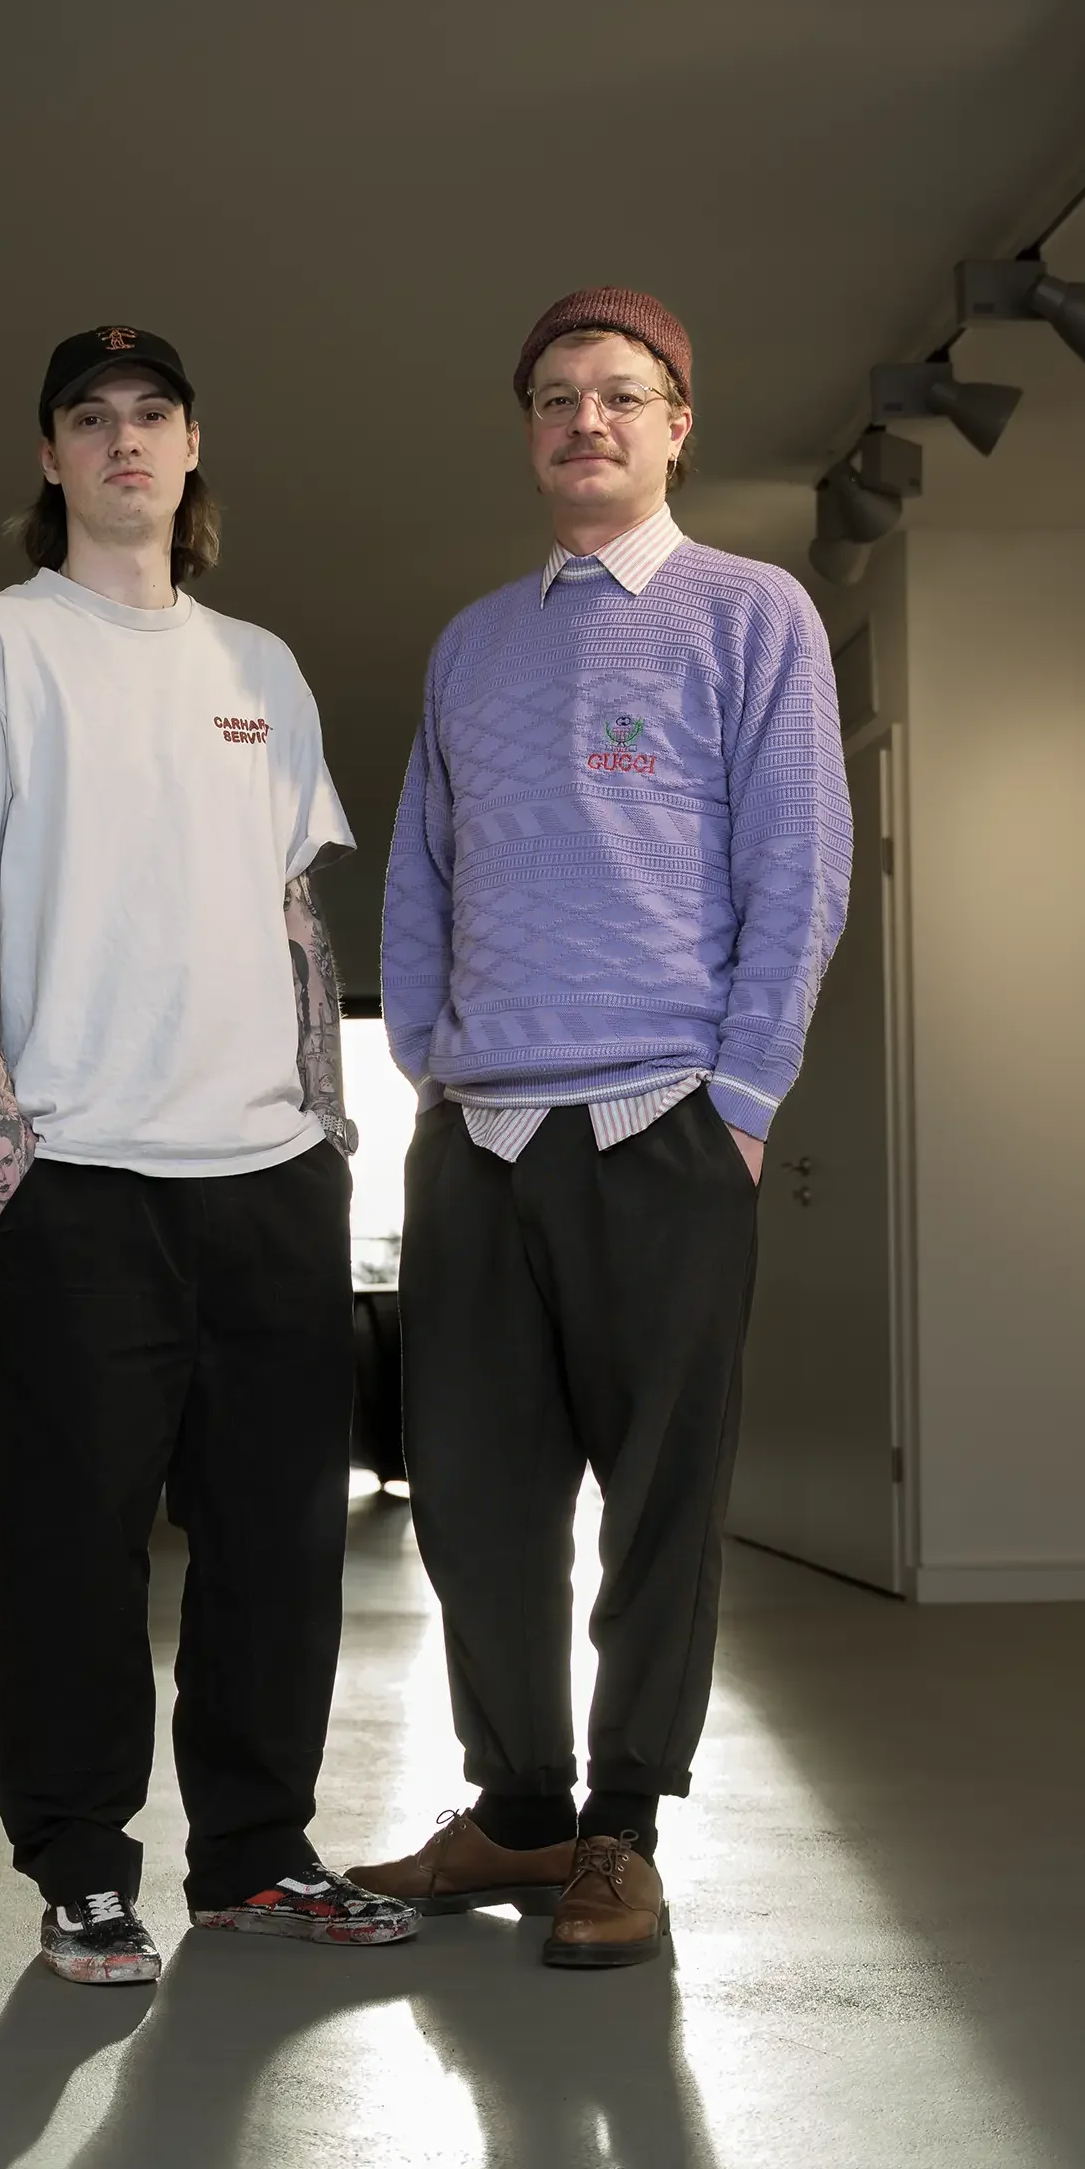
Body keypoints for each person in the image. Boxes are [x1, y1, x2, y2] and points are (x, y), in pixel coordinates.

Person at [0, 324, 419, 1984]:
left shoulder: (261, 668)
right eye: (90, 416)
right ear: (49, 458)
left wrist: (328, 1114)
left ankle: (256, 1858)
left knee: (279, 1546)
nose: (125, 439)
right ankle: (79, 1868)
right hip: (83, 1180)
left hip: (270, 1179)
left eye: (154, 415)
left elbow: (294, 907)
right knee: (74, 1548)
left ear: (193, 451)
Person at [350, 287, 852, 1969]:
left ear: (676, 426)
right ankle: (519, 1808)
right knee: (472, 1501)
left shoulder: (753, 613)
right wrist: (430, 1066)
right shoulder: (472, 644)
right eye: (558, 395)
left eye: (622, 394)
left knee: (657, 1507)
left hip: (662, 1123)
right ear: (530, 430)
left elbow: (800, 868)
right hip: (481, 1136)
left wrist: (745, 1099)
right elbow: (420, 874)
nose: (588, 419)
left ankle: (622, 1830)